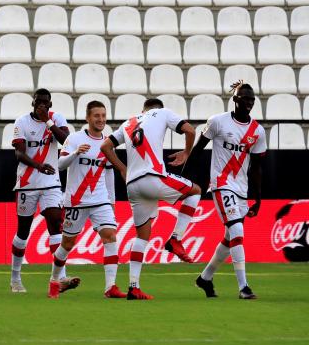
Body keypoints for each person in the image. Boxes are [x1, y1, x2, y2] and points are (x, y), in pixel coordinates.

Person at [100, 98, 202, 300]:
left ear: (143, 110)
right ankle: (175, 239)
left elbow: (105, 146)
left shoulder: (129, 122)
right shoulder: (163, 113)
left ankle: (133, 287)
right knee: (196, 191)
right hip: (153, 177)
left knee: (142, 237)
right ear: (158, 108)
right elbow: (191, 131)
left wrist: (122, 169)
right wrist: (186, 153)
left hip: (133, 186)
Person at [188, 82, 266, 300]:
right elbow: (198, 149)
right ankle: (243, 287)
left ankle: (205, 278)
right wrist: (186, 179)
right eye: (244, 99)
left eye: (252, 100)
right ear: (235, 99)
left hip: (241, 189)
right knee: (237, 231)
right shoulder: (217, 121)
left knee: (229, 237)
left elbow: (258, 167)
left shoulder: (257, 131)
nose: (249, 103)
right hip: (221, 185)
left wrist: (257, 199)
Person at [52, 101, 126, 299]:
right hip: (76, 200)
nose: (100, 119)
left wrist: (112, 201)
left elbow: (109, 173)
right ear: (88, 118)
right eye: (96, 116)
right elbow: (59, 164)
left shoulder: (108, 143)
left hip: (100, 199)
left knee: (110, 236)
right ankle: (54, 282)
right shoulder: (75, 139)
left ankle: (110, 287)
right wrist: (76, 153)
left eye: (103, 115)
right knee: (67, 244)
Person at [9, 88, 78, 295]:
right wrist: (38, 166)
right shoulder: (21, 122)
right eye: (38, 101)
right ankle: (15, 277)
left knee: (56, 222)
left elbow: (67, 141)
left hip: (51, 182)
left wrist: (48, 122)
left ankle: (59, 277)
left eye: (45, 102)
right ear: (33, 103)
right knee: (23, 231)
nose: (41, 105)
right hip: (27, 183)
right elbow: (19, 154)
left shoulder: (56, 118)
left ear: (50, 104)